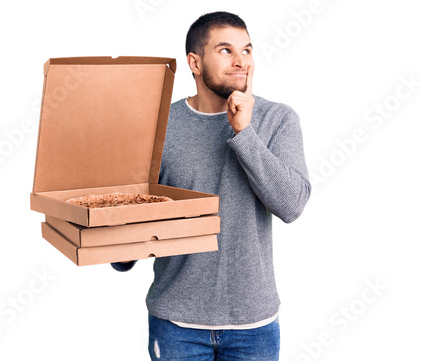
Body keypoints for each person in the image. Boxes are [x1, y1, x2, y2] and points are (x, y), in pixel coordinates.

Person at [112, 11, 311, 360]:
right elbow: (136, 224)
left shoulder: (278, 119)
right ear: (195, 62)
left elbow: (292, 205)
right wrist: (110, 239)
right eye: (225, 51)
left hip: (254, 326)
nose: (241, 62)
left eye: (247, 50)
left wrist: (244, 133)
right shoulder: (158, 125)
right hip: (176, 324)